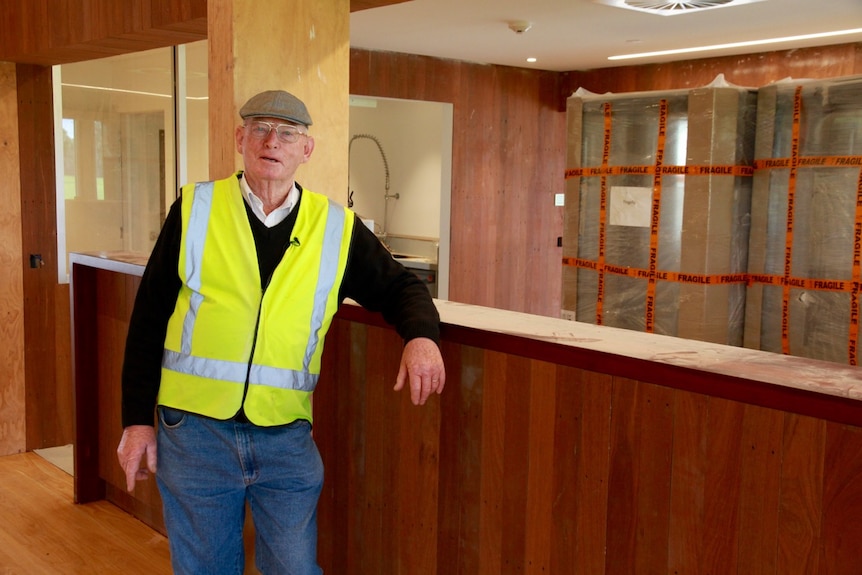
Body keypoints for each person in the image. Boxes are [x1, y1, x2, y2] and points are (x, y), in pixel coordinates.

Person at [116, 89, 446, 574]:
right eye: (261, 129)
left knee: (293, 568)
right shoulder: (195, 209)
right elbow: (148, 320)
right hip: (194, 433)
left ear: (305, 150)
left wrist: (422, 338)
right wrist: (135, 421)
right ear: (240, 138)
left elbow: (402, 287)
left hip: (285, 439)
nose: (273, 141)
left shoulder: (335, 227)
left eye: (288, 134)